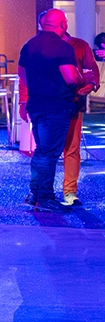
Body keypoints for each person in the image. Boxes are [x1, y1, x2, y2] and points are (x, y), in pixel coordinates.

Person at [18, 9, 85, 210]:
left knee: (41, 151)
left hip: (36, 105)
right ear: (63, 24)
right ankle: (45, 198)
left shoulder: (29, 45)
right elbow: (71, 78)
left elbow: (22, 75)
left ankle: (35, 193)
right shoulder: (63, 47)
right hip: (56, 107)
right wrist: (83, 78)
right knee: (49, 154)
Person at [61, 31, 102, 206]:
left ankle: (69, 191)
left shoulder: (79, 45)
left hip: (73, 101)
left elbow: (92, 70)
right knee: (47, 151)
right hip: (48, 105)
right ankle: (41, 192)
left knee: (71, 148)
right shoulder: (40, 45)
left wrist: (91, 84)